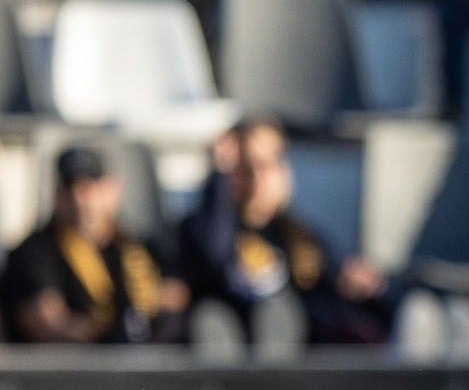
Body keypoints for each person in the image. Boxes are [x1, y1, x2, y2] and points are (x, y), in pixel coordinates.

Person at [178, 116, 393, 347]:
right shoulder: (202, 227)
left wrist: (362, 286)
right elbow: (213, 254)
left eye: (270, 163)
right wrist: (220, 178)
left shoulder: (297, 235)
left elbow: (328, 288)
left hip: (294, 354)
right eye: (246, 165)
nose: (259, 177)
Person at [1, 146, 188, 346]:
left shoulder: (137, 246)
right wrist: (109, 339)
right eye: (69, 188)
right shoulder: (35, 252)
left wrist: (149, 328)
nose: (79, 199)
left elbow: (176, 294)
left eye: (89, 187)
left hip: (148, 365)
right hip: (73, 371)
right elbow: (46, 323)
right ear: (56, 196)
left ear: (112, 189)